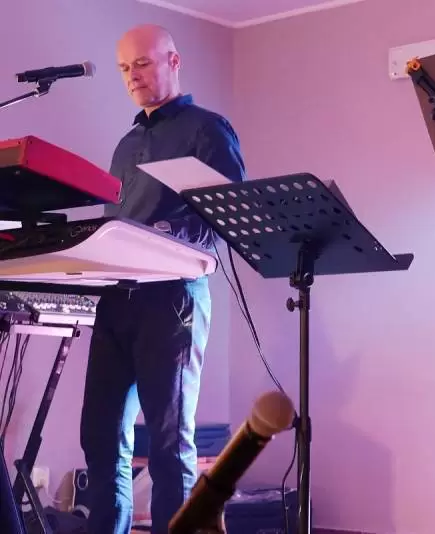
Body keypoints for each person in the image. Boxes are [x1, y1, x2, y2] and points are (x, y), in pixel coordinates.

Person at [79, 24, 246, 534]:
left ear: (173, 62)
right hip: (117, 300)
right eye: (124, 68)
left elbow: (227, 218)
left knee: (169, 445)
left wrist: (161, 234)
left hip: (172, 301)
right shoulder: (126, 144)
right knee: (101, 436)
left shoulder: (207, 130)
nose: (132, 76)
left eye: (142, 64)